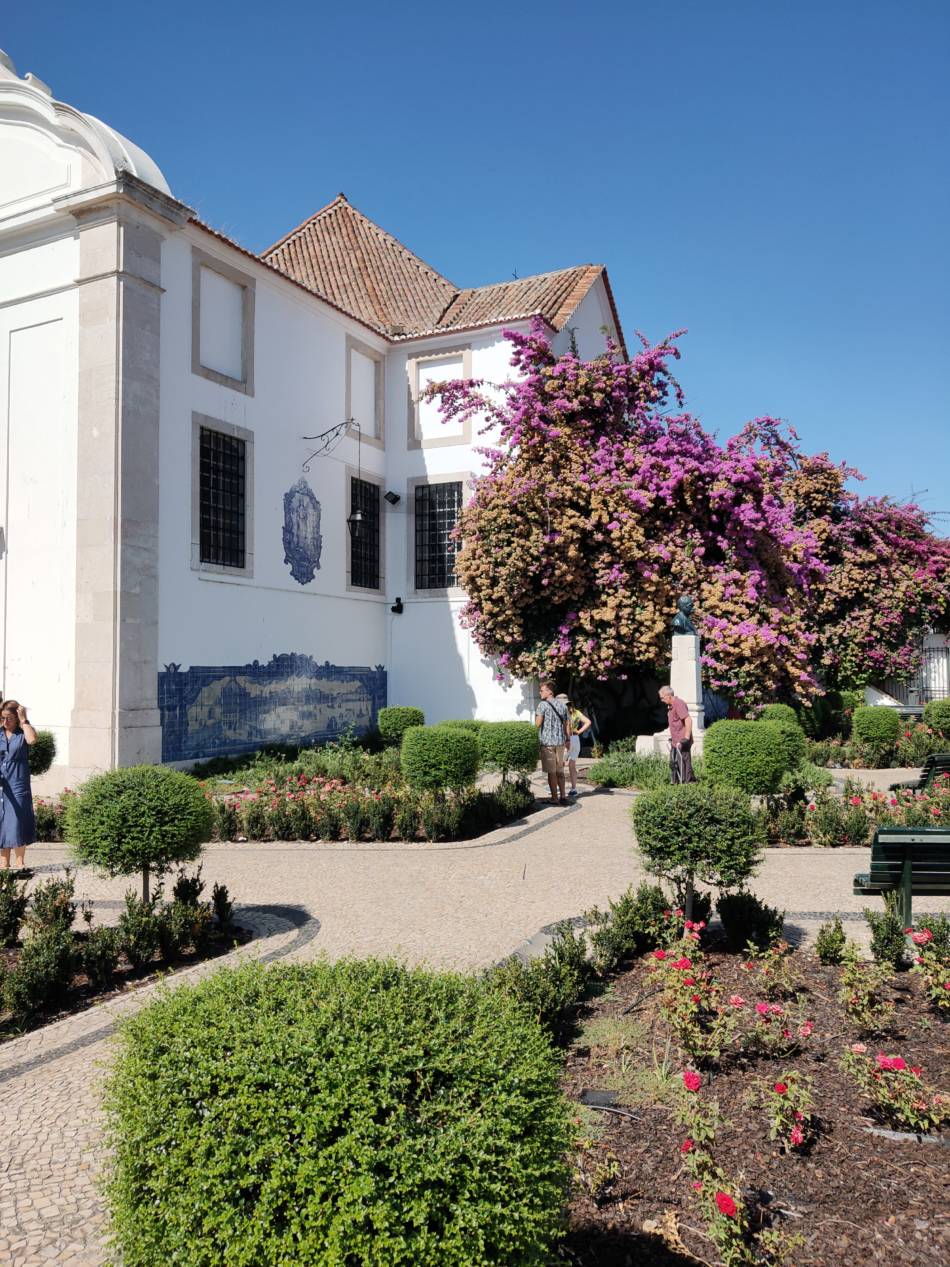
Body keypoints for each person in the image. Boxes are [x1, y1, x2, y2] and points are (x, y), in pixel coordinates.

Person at [0, 699, 37, 872]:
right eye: (2, 718)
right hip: (2, 784)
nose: (5, 722)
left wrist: (24, 720)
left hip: (17, 782)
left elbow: (32, 740)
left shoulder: (23, 733)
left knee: (17, 820)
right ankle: (3, 861)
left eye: (9, 718)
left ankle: (20, 861)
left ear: (16, 717)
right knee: (1, 820)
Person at [535, 682, 570, 806]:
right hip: (560, 743)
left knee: (552, 772)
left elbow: (538, 724)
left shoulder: (542, 705)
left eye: (542, 690)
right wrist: (568, 740)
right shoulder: (563, 706)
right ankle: (564, 796)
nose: (540, 692)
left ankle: (555, 798)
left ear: (550, 691)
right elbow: (566, 726)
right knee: (560, 771)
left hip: (548, 743)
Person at [658, 685, 695, 783]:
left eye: (662, 697)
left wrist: (686, 738)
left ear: (668, 695)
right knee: (674, 765)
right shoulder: (671, 707)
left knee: (684, 766)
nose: (661, 700)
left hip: (682, 742)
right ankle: (676, 784)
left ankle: (688, 785)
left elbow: (688, 719)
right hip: (675, 742)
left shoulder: (678, 704)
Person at [557, 694, 592, 798]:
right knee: (572, 765)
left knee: (560, 765)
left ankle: (560, 789)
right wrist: (579, 732)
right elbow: (588, 722)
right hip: (575, 739)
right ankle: (573, 789)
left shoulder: (562, 713)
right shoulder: (576, 712)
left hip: (565, 739)